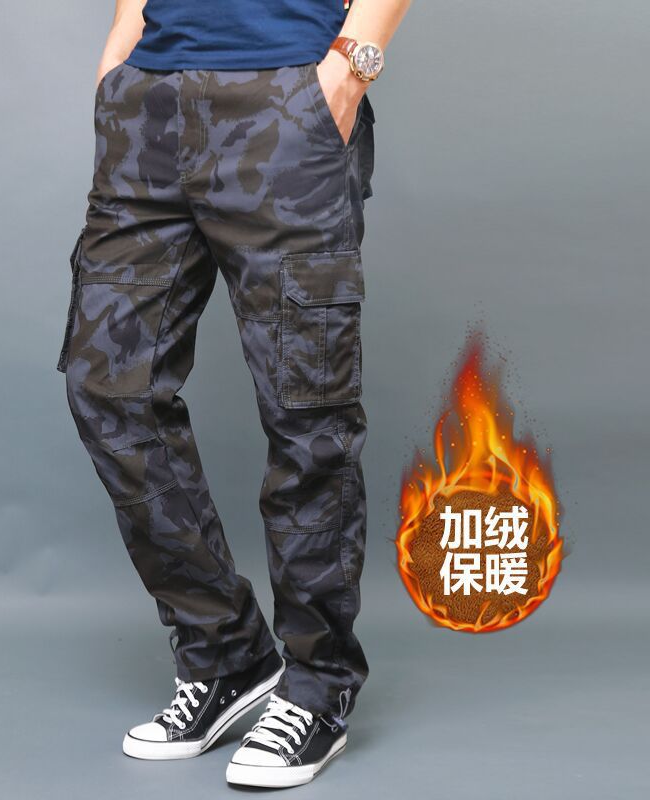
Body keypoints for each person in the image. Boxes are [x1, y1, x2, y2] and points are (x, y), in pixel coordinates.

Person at [57, 0, 411, 788]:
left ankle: (318, 685)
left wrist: (349, 68)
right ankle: (224, 654)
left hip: (285, 97)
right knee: (107, 385)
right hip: (148, 107)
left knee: (306, 410)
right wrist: (120, 57)